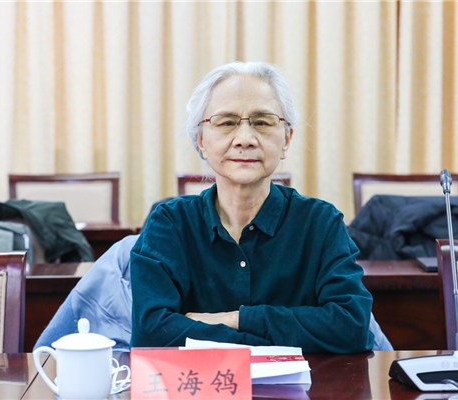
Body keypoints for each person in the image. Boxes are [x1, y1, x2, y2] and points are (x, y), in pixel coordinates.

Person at [130, 61, 375, 353]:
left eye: (262, 122)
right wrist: (278, 340)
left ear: (287, 139)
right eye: (226, 122)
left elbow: (352, 327)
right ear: (201, 140)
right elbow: (151, 334)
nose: (245, 140)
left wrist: (238, 319)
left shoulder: (321, 223)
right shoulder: (169, 224)